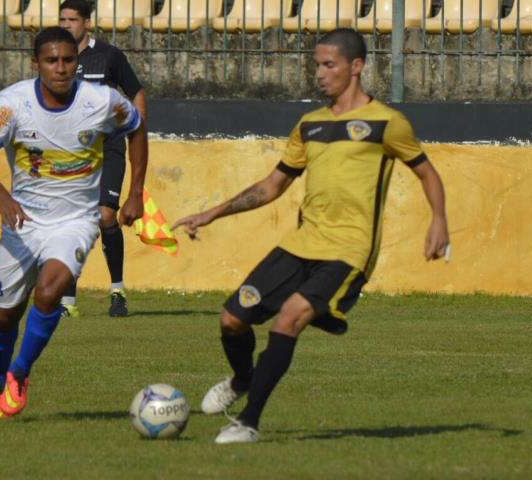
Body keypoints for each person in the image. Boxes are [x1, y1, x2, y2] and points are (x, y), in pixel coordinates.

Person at [172, 28, 449, 444]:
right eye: (316, 65)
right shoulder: (311, 125)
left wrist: (439, 221)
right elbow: (272, 186)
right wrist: (212, 214)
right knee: (232, 320)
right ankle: (242, 379)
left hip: (347, 250)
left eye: (328, 65)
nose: (319, 74)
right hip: (300, 244)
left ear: (356, 67)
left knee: (290, 318)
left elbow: (427, 173)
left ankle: (248, 422)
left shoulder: (387, 123)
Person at [0, 26, 148, 419]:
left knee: (49, 292)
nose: (61, 68)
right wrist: (2, 195)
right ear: (37, 64)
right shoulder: (12, 103)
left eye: (68, 60)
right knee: (4, 314)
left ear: (76, 63)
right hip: (23, 223)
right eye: (52, 60)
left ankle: (19, 373)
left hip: (76, 221)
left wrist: (135, 192)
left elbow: (136, 127)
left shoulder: (100, 101)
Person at [58, 0, 148, 318]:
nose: (66, 24)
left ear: (87, 23)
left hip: (109, 146)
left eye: (72, 19)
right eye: (62, 19)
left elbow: (136, 91)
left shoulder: (109, 56)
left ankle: (118, 291)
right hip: (72, 151)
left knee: (106, 216)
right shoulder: (57, 59)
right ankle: (67, 301)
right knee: (72, 222)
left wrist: (138, 124)